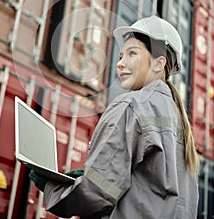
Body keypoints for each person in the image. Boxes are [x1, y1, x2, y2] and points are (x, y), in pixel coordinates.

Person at [30, 15, 199, 218]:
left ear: (158, 63)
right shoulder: (180, 123)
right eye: (121, 57)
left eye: (132, 54)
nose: (120, 64)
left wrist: (51, 186)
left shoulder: (131, 106)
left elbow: (96, 194)